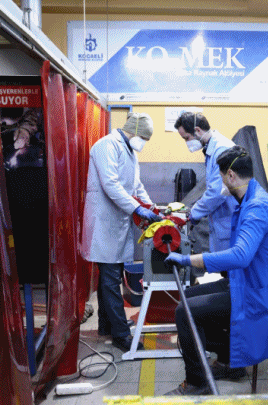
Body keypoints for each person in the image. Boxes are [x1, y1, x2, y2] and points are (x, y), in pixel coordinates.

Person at [162, 146, 268, 395]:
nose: (221, 183)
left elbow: (240, 255)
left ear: (232, 176)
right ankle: (228, 362)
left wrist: (188, 260)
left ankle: (197, 383)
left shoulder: (257, 208)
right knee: (188, 297)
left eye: (221, 177)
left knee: (185, 312)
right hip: (247, 281)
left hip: (260, 291)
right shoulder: (248, 199)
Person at [82, 112, 161, 352]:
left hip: (116, 222)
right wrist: (137, 208)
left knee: (110, 277)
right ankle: (120, 335)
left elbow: (136, 186)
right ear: (135, 131)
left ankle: (106, 325)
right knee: (110, 279)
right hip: (104, 223)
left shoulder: (130, 151)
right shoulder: (106, 145)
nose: (143, 143)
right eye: (144, 138)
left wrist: (151, 207)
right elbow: (111, 184)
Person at [174, 112, 237, 254]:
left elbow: (217, 192)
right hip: (222, 220)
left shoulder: (221, 149)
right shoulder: (212, 149)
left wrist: (193, 214)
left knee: (227, 262)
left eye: (186, 138)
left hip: (229, 220)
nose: (187, 143)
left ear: (197, 130)